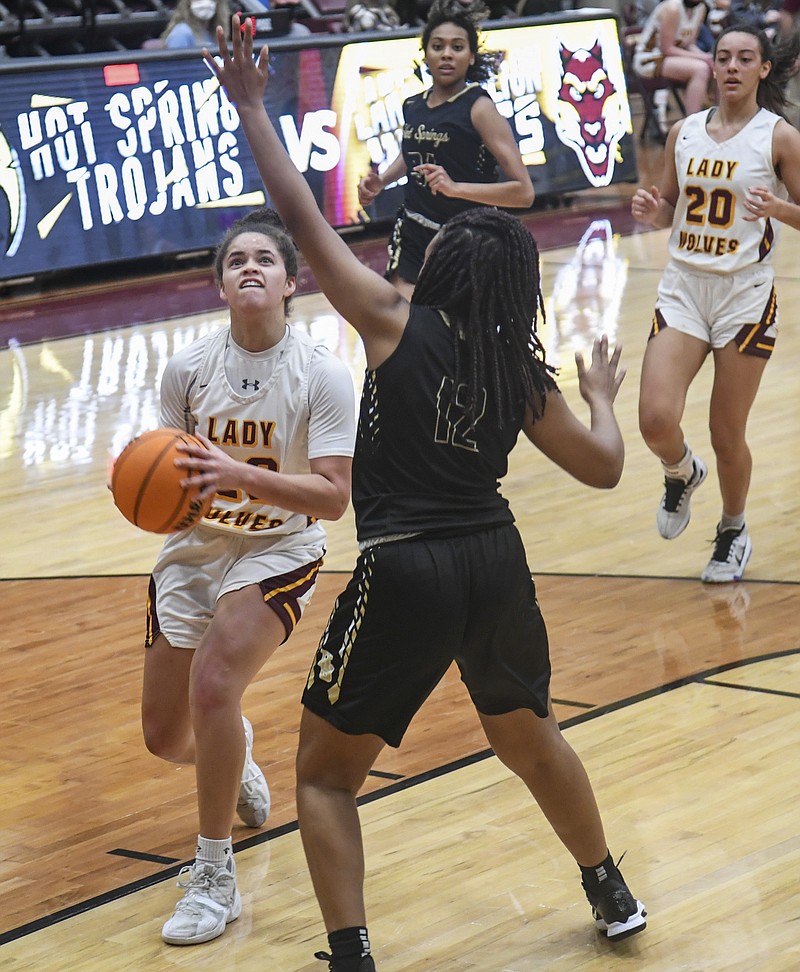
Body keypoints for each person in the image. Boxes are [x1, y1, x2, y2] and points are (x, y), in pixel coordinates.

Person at [206, 16, 647, 971]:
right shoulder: (519, 368)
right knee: (531, 741)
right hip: (497, 562)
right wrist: (603, 397)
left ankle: (352, 954)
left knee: (323, 779)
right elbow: (607, 467)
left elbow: (302, 217)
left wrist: (251, 109)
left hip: (405, 569)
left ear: (447, 263)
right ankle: (609, 884)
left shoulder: (393, 317)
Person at [140, 207, 356, 945]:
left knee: (214, 685)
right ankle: (235, 753)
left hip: (280, 550)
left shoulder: (322, 372)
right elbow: (169, 481)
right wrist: (163, 504)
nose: (251, 268)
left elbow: (332, 496)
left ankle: (213, 874)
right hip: (198, 551)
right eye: (237, 262)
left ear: (291, 282)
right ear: (221, 286)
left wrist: (237, 474)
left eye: (265, 259)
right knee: (166, 737)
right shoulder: (188, 370)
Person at [632, 24, 800, 583]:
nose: (731, 67)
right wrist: (647, 206)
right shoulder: (683, 131)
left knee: (727, 433)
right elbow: (665, 208)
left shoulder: (779, 137)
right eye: (722, 57)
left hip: (743, 296)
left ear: (763, 69)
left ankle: (733, 530)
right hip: (683, 287)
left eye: (744, 58)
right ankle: (680, 471)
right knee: (656, 420)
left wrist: (776, 208)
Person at [356, 0, 534, 299]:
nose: (447, 54)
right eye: (438, 46)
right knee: (405, 323)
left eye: (457, 46)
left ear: (472, 56)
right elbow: (412, 149)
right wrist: (382, 180)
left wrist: (455, 188)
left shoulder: (479, 108)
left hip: (464, 236)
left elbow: (523, 192)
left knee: (446, 334)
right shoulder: (413, 104)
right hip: (413, 230)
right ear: (426, 55)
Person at [633, 0, 715, 116]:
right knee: (701, 69)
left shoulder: (701, 8)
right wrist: (702, 58)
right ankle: (693, 123)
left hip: (673, 57)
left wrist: (707, 57)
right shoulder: (672, 8)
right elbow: (667, 49)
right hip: (650, 58)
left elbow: (690, 44)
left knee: (716, 65)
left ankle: (722, 117)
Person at [161, 0, 231, 48]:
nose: (205, 3)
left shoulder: (212, 32)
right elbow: (176, 67)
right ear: (188, 3)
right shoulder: (182, 32)